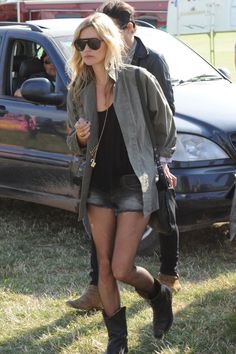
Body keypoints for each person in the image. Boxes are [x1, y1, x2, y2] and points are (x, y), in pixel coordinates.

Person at [66, 12, 177, 351]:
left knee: (122, 267)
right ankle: (118, 340)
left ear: (108, 42)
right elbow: (72, 140)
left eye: (93, 42)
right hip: (97, 185)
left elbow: (165, 125)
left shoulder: (137, 78)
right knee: (103, 265)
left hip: (134, 182)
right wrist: (80, 138)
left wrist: (160, 160)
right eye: (80, 43)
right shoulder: (78, 88)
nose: (86, 49)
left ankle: (159, 295)